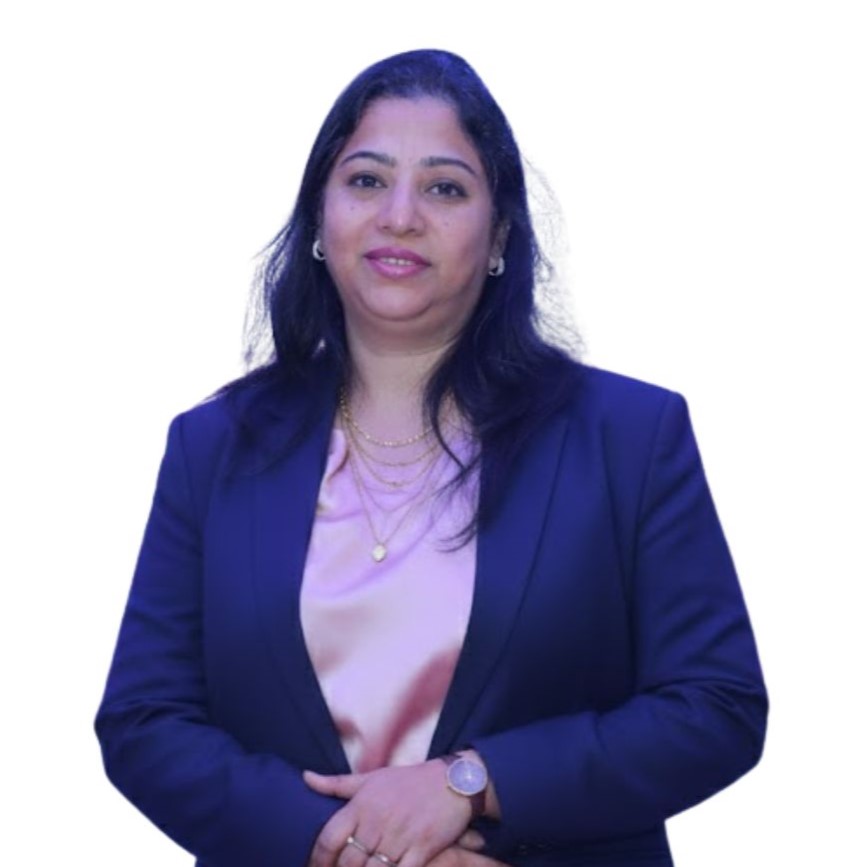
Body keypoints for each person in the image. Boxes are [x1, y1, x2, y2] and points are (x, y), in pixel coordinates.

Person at [95, 49, 767, 867]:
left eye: (444, 188)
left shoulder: (626, 436)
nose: (400, 216)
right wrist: (349, 846)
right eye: (366, 180)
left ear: (499, 234)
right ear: (319, 219)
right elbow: (145, 721)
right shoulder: (213, 447)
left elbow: (716, 706)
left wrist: (471, 783)